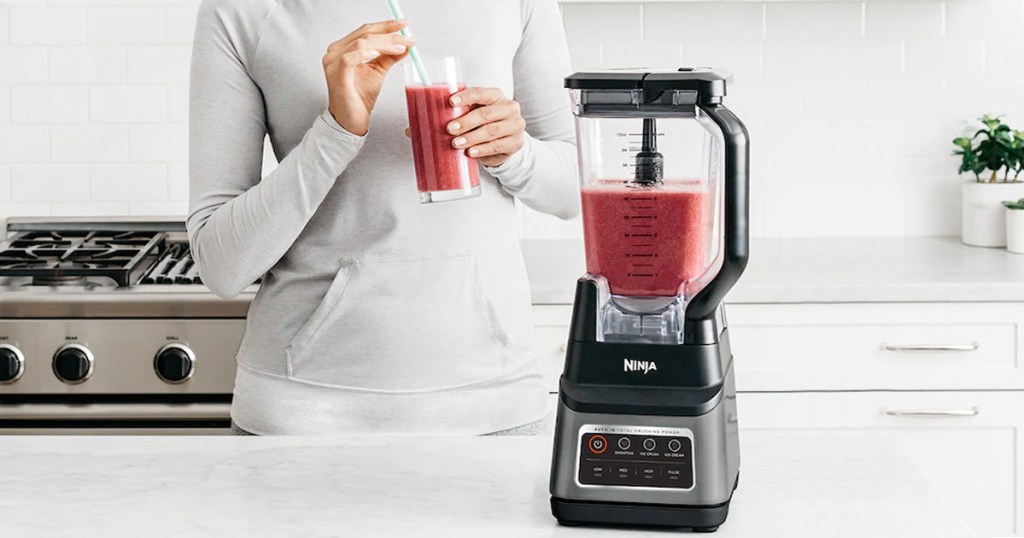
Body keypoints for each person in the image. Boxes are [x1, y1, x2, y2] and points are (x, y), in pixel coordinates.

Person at [187, 0, 579, 435]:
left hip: (495, 406)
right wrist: (335, 133)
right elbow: (221, 266)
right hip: (303, 416)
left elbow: (572, 194)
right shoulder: (242, 9)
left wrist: (515, 152)